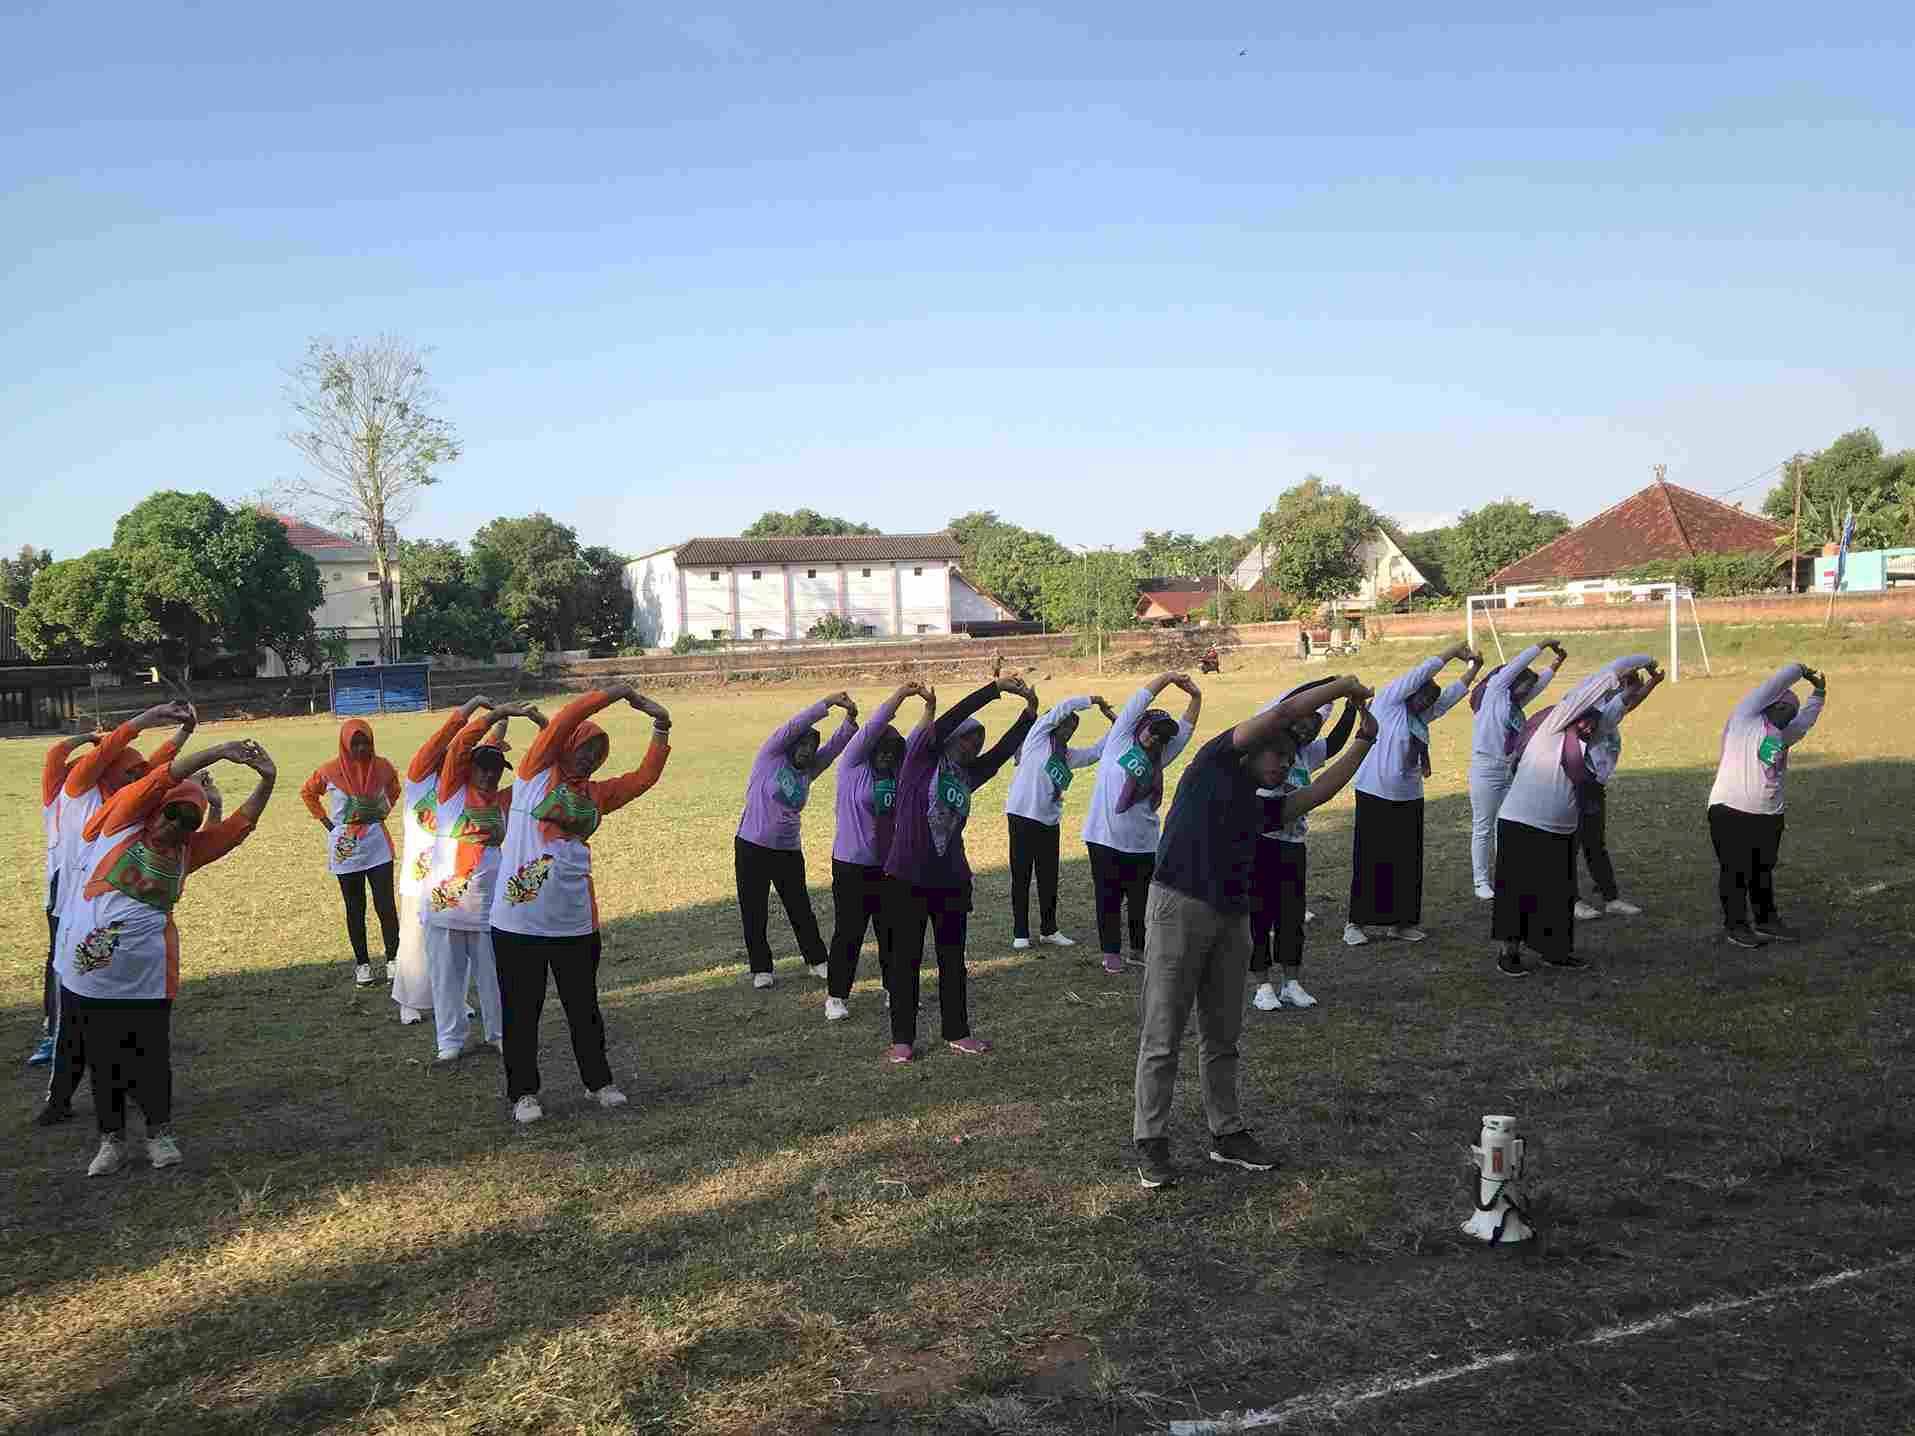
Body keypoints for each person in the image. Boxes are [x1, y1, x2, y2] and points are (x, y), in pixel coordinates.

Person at [1132, 676, 1376, 1190]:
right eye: (1279, 754)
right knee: (1164, 1035)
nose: (1285, 763)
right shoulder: (1213, 764)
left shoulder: (1260, 801)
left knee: (1224, 1037)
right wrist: (1339, 688)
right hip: (1179, 907)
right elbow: (1281, 712)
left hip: (1232, 917)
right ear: (1253, 746)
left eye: (1291, 757)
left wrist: (1364, 742)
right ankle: (1150, 1143)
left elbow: (1313, 795)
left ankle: (1227, 1134)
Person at [59, 737, 275, 1176]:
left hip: (148, 977)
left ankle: (159, 1135)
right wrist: (218, 751)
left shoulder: (186, 853)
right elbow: (166, 775)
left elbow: (238, 828)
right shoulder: (120, 825)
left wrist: (268, 781)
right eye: (171, 812)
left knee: (150, 1056)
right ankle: (111, 1141)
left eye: (188, 820)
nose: (175, 824)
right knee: (103, 1059)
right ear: (156, 808)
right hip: (90, 974)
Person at [489, 683, 672, 1124]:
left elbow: (642, 779)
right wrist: (615, 692)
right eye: (584, 746)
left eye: (597, 750)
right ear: (565, 746)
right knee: (521, 1012)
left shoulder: (595, 795)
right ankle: (523, 1094)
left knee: (584, 1008)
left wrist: (661, 726)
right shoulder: (534, 775)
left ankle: (599, 1082)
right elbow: (569, 715)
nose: (589, 756)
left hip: (574, 921)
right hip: (519, 922)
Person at [37, 701, 195, 1124]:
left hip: (103, 916)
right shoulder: (75, 793)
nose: (133, 775)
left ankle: (120, 1095)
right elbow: (103, 754)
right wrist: (130, 724)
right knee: (75, 1017)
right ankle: (60, 1099)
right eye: (126, 770)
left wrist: (185, 733)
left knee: (111, 1014)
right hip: (72, 916)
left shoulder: (125, 803)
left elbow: (153, 768)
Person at [880, 676, 1038, 1063]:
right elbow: (953, 717)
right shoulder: (920, 760)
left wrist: (1029, 715)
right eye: (969, 739)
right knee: (907, 960)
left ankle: (958, 1031)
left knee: (953, 960)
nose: (975, 746)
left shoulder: (969, 774)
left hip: (951, 880)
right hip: (907, 878)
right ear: (950, 739)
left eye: (978, 742)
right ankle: (903, 1039)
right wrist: (994, 689)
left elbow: (1001, 753)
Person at [1491, 656, 1655, 977]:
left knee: (1557, 895)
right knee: (1518, 893)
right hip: (1522, 823)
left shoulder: (1587, 734)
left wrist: (1639, 688)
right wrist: (1639, 661)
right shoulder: (1554, 725)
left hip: (1561, 828)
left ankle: (1556, 951)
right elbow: (1591, 690)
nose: (1592, 725)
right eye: (1587, 718)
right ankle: (1508, 954)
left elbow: (1617, 709)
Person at [1343, 641, 1481, 947]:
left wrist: (1474, 670)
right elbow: (1423, 671)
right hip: (1375, 793)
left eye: (1428, 701)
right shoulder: (1389, 704)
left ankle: (1401, 923)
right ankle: (1356, 922)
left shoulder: (1419, 717)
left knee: (1407, 863)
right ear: (1412, 692)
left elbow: (1448, 699)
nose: (1425, 703)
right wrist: (1451, 652)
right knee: (1371, 860)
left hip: (1409, 796)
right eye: (1421, 696)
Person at [421, 705, 533, 1062]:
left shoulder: (504, 801)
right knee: (446, 978)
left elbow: (538, 773)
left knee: (494, 976)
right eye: (483, 768)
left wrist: (544, 726)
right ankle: (450, 1040)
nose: (488, 775)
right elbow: (457, 747)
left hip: (489, 907)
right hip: (445, 906)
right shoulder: (451, 793)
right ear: (470, 769)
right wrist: (492, 714)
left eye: (495, 770)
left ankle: (498, 1033)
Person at [1248, 679, 1359, 1012]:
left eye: (1314, 726)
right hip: (1260, 845)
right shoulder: (1266, 741)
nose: (1308, 731)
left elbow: (1337, 741)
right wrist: (1333, 685)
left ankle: (1291, 983)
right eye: (1304, 721)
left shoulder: (1307, 754)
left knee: (1291, 916)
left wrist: (1351, 706)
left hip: (1294, 845)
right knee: (1259, 915)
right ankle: (1262, 985)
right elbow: (1287, 699)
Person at [735, 693, 859, 990]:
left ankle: (816, 961)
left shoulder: (807, 771)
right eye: (802, 745)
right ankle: (761, 968)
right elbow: (795, 724)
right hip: (751, 846)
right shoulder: (771, 757)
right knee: (754, 909)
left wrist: (850, 720)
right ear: (790, 745)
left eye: (810, 746)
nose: (806, 751)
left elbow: (832, 750)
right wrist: (828, 703)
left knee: (799, 907)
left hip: (788, 852)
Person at [824, 682, 929, 1022]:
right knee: (849, 933)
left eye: (892, 752)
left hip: (888, 867)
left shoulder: (899, 772)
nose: (887, 756)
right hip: (851, 866)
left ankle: (892, 989)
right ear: (870, 750)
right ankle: (836, 996)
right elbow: (872, 726)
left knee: (891, 932)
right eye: (881, 750)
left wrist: (929, 709)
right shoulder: (852, 766)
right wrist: (900, 696)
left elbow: (917, 741)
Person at [1083, 673, 1201, 975]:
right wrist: (1168, 678)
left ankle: (1138, 949)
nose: (1154, 738)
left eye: (1162, 736)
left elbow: (1185, 731)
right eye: (1152, 731)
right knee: (1107, 898)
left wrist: (1196, 697)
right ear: (1140, 725)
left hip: (1143, 842)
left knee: (1141, 900)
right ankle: (1111, 951)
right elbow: (1139, 701)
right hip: (1103, 838)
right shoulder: (1119, 740)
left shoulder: (1160, 757)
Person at [1706, 662, 1827, 948]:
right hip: (1731, 809)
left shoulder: (1781, 735)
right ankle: (1736, 927)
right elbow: (1774, 684)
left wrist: (1819, 694)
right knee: (1735, 870)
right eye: (1786, 709)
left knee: (1762, 870)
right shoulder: (1745, 720)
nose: (1790, 715)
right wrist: (1800, 670)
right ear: (1771, 704)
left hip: (1769, 813)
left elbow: (1805, 722)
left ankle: (1767, 920)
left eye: (1792, 713)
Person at [394, 696, 497, 1024]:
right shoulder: (418, 779)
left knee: (454, 947)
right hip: (418, 874)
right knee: (412, 941)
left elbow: (487, 753)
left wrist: (499, 720)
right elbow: (445, 738)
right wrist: (473, 706)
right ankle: (409, 1001)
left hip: (451, 877)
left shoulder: (461, 785)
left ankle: (456, 1000)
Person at [1004, 692, 1116, 951]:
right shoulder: (1037, 737)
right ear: (1056, 723)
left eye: (1073, 728)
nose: (1069, 731)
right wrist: (1093, 700)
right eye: (1066, 725)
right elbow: (1062, 706)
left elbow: (1096, 753)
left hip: (1049, 822)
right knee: (1021, 876)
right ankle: (1020, 932)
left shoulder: (1067, 756)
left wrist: (1114, 723)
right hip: (1021, 816)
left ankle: (1049, 929)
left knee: (1048, 877)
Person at [301, 720, 403, 988]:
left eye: (365, 742)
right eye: (354, 743)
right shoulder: (329, 771)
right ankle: (363, 965)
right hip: (345, 847)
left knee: (386, 905)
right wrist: (327, 822)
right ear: (345, 744)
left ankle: (393, 959)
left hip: (376, 843)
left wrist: (381, 811)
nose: (360, 748)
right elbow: (308, 793)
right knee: (354, 906)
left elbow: (394, 788)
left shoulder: (383, 767)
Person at [1466, 641, 1564, 900]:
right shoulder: (1496, 693)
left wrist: (1555, 665)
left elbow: (1539, 685)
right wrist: (1542, 645)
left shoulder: (1514, 704)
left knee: (1506, 825)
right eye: (1524, 686)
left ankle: (1506, 875)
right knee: (1484, 825)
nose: (1527, 693)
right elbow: (1518, 665)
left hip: (1510, 769)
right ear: (1511, 681)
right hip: (1485, 768)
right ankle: (1480, 882)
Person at [26, 732, 101, 1068]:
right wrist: (89, 737)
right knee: (59, 960)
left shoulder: (98, 795)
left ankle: (89, 1028)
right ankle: (53, 1033)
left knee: (94, 953)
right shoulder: (56, 798)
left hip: (93, 888)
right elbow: (57, 752)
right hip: (61, 890)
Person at [1571, 662, 1665, 920]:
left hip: (1595, 787)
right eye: (1629, 687)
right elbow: (1626, 701)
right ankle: (1573, 901)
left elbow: (1630, 703)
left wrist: (1652, 684)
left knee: (1594, 844)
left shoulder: (1612, 708)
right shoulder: (1593, 712)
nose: (1632, 694)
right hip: (1578, 785)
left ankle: (1611, 899)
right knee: (1572, 844)